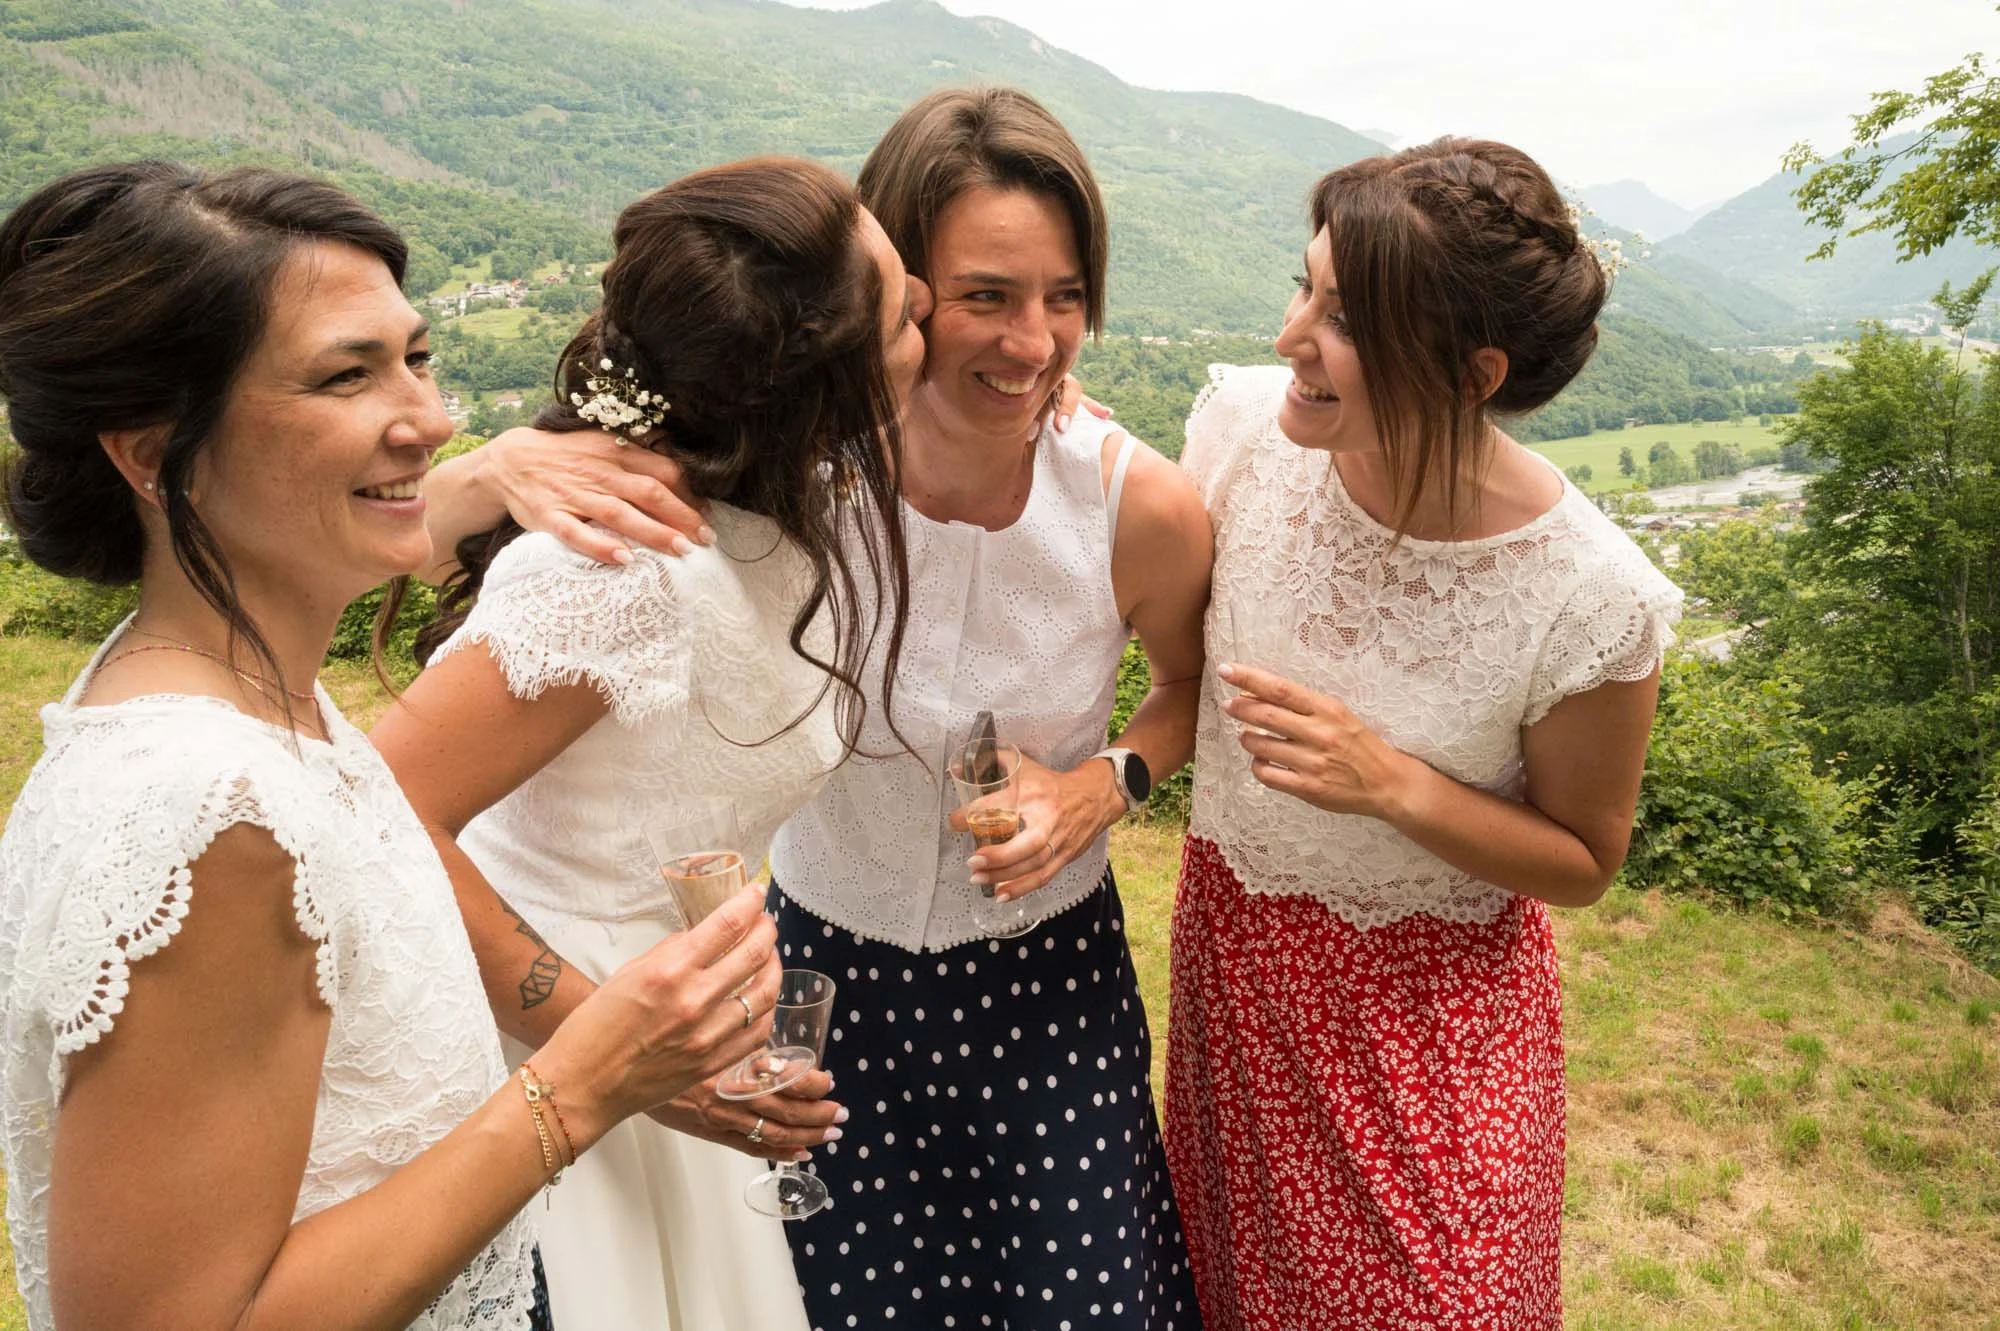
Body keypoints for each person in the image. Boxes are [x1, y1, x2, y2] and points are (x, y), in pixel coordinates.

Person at [421, 88, 1211, 1331]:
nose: (1032, 342)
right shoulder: (769, 492)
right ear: (853, 329)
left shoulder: (1121, 500)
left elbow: (1185, 685)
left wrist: (1101, 782)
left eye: (1064, 297)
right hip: (808, 981)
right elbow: (410, 762)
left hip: (1037, 988)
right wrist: (483, 468)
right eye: (971, 297)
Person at [0, 161, 780, 1331]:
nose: (432, 417)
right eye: (345, 374)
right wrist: (588, 1076)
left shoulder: (226, 681)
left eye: (415, 357)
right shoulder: (217, 817)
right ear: (153, 456)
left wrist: (482, 475)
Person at [370, 157, 929, 1331]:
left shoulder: (781, 503)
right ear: (820, 388)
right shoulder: (619, 573)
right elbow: (377, 809)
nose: (923, 305)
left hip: (682, 1032)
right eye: (902, 313)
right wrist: (626, 1058)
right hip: (542, 1047)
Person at [1166, 138, 1683, 1329]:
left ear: (1469, 373)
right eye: (1302, 288)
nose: (1290, 337)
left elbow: (1584, 860)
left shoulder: (1589, 594)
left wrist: (1392, 782)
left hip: (1428, 1039)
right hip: (1237, 987)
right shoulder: (1241, 435)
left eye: (1342, 318)